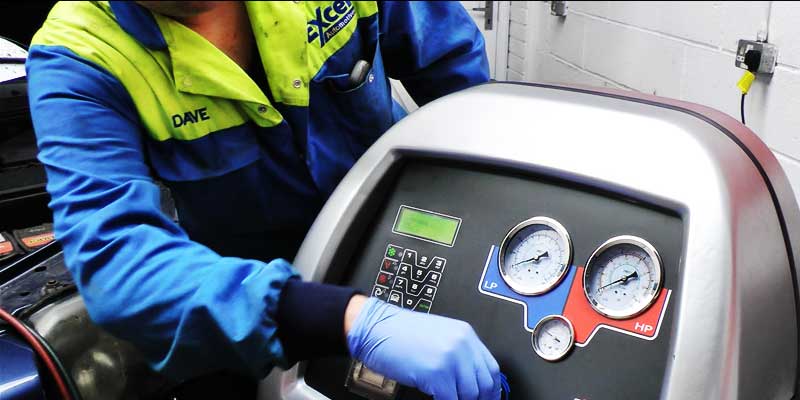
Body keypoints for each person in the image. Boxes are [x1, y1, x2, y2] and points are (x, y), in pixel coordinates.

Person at [26, 1, 499, 399]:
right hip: (260, 319)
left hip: (417, 255)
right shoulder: (81, 56)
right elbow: (117, 260)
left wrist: (505, 200)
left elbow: (450, 64)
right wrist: (346, 319)